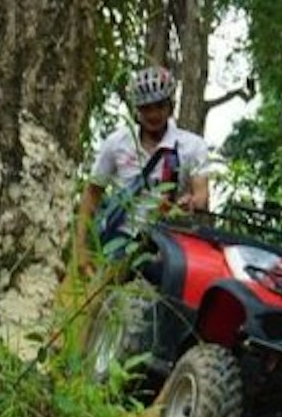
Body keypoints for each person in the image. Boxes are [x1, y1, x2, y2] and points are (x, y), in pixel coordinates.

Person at [74, 65, 211, 276]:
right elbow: (92, 193)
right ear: (137, 109)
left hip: (169, 242)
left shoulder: (192, 146)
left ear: (171, 106)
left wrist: (190, 202)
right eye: (147, 108)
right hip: (121, 239)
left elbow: (202, 194)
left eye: (159, 106)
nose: (153, 114)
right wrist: (81, 248)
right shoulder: (117, 142)